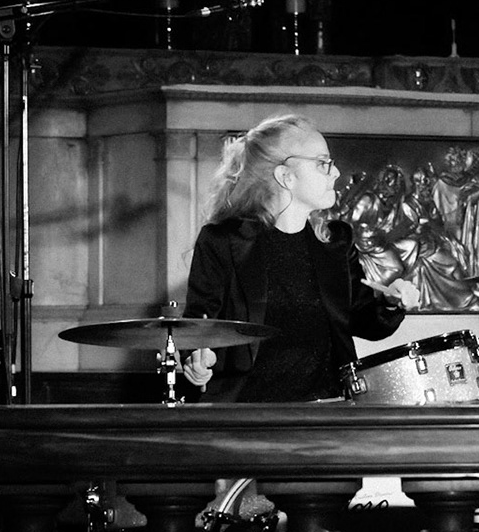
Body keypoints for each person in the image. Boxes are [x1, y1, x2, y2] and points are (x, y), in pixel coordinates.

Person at [180, 113, 420, 401]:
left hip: (328, 407)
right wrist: (195, 359)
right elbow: (197, 325)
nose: (336, 173)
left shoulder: (336, 241)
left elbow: (364, 321)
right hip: (246, 412)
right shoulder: (223, 240)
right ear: (286, 176)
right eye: (323, 163)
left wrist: (392, 304)